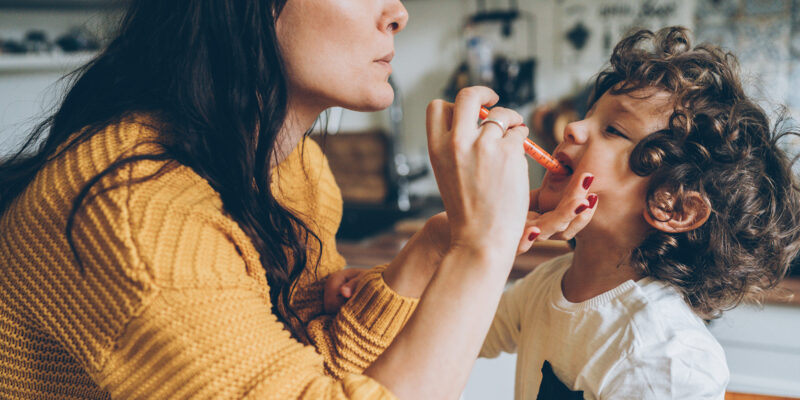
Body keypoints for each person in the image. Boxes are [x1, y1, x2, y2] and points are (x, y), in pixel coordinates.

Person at [0, 0, 595, 399]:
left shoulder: (295, 168)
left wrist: (437, 245)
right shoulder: (135, 219)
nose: (398, 12)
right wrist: (480, 249)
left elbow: (321, 369)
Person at [474, 27, 800, 399]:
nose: (571, 128)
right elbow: (452, 335)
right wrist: (475, 234)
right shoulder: (547, 285)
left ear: (674, 206)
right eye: (589, 115)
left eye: (612, 129)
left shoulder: (667, 359)